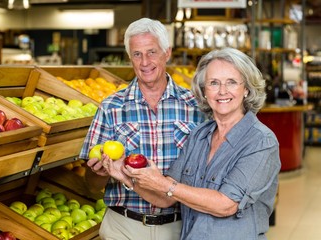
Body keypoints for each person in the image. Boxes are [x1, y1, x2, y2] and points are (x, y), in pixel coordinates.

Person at [103, 47, 281, 239]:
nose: (222, 91)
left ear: (246, 89)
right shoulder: (199, 135)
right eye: (213, 83)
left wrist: (163, 185)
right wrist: (126, 176)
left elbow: (226, 204)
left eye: (231, 82)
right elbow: (165, 198)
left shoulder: (261, 141)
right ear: (204, 91)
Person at [79, 17, 205, 240]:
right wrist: (98, 172)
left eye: (152, 52)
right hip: (123, 226)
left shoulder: (195, 106)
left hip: (180, 227)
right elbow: (91, 185)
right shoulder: (111, 107)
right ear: (130, 58)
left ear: (167, 53)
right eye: (137, 54)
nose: (145, 61)